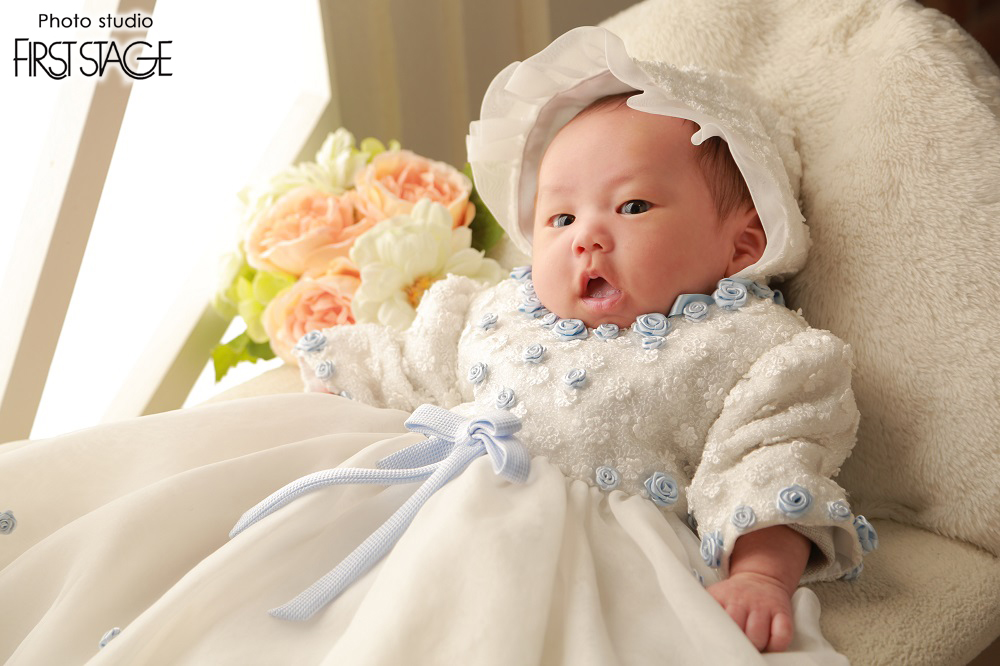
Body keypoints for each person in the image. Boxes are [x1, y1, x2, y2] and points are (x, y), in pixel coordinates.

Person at [0, 26, 872, 665]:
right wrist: (334, 369)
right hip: (414, 484)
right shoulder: (500, 309)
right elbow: (415, 364)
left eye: (633, 207)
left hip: (564, 548)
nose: (586, 237)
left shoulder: (750, 347)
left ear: (744, 244)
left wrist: (760, 575)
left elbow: (767, 462)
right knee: (261, 586)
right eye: (559, 218)